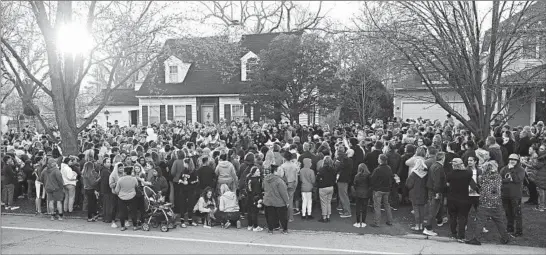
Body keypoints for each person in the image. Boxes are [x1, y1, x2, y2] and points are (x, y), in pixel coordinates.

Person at [466, 161, 510, 245]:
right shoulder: (498, 177)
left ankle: (476, 239)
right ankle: (505, 237)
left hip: (485, 203)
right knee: (499, 221)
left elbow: (479, 185)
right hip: (496, 203)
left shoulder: (482, 177)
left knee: (480, 221)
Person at [446, 158, 472, 242]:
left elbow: (447, 184)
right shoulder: (468, 173)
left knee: (452, 217)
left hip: (452, 198)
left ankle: (453, 234)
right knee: (462, 217)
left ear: (453, 165)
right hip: (464, 198)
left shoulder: (450, 174)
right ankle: (461, 236)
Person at [500, 154, 525, 237]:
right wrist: (508, 180)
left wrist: (512, 170)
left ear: (517, 161)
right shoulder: (504, 169)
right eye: (511, 159)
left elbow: (517, 180)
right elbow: (499, 180)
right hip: (505, 194)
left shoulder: (521, 169)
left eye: (514, 159)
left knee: (517, 213)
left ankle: (519, 231)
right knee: (508, 213)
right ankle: (510, 228)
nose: (512, 161)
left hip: (515, 195)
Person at [423, 152, 446, 236]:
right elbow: (437, 182)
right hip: (435, 191)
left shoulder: (433, 165)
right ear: (443, 158)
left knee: (432, 209)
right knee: (433, 210)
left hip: (431, 190)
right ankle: (428, 228)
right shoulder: (439, 167)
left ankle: (428, 226)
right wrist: (437, 192)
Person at [263, 164, 290, 234]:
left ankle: (270, 230)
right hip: (279, 201)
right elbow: (283, 192)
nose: (282, 172)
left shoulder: (265, 179)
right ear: (275, 171)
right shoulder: (279, 181)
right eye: (280, 170)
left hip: (268, 200)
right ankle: (285, 229)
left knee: (270, 216)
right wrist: (287, 202)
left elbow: (264, 188)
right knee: (283, 216)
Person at [370, 154, 394, 227]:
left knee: (377, 206)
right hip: (387, 190)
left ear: (380, 160)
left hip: (378, 190)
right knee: (387, 205)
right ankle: (390, 221)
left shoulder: (377, 169)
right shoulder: (389, 168)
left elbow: (372, 180)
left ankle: (377, 223)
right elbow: (391, 178)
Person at [405, 154, 427, 231]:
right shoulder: (426, 174)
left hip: (414, 194)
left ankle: (417, 226)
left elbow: (408, 184)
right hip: (424, 193)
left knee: (416, 210)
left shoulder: (413, 174)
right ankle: (421, 225)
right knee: (422, 210)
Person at [114, 166, 139, 231]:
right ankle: (135, 226)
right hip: (132, 196)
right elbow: (136, 185)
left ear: (125, 172)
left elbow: (117, 190)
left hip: (122, 197)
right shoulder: (134, 179)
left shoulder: (120, 179)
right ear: (131, 172)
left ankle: (122, 226)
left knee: (122, 212)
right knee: (133, 212)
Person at [279, 151, 299, 222]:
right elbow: (296, 176)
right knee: (290, 200)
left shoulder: (282, 166)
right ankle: (291, 217)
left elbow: (281, 176)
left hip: (285, 184)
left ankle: (284, 216)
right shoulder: (294, 165)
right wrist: (296, 184)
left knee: (283, 200)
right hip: (292, 182)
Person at [335, 146, 353, 218]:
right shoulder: (350, 161)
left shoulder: (344, 161)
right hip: (346, 179)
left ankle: (347, 212)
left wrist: (337, 163)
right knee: (344, 195)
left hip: (342, 179)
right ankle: (345, 210)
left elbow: (338, 168)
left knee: (343, 196)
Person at [317, 156, 336, 223]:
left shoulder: (321, 169)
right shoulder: (333, 169)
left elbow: (318, 179)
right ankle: (328, 216)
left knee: (323, 203)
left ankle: (324, 217)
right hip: (331, 187)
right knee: (328, 202)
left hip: (323, 188)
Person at [245, 166, 263, 231]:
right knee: (255, 212)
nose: (259, 172)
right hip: (255, 198)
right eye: (257, 171)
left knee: (249, 212)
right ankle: (255, 226)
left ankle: (250, 225)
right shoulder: (256, 181)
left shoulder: (248, 178)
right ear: (254, 173)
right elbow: (257, 191)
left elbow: (248, 189)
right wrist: (259, 198)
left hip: (249, 197)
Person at [353, 163, 371, 228]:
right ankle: (363, 222)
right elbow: (370, 185)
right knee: (364, 208)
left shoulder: (357, 176)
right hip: (366, 193)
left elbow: (355, 184)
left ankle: (358, 222)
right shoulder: (368, 175)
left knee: (357, 208)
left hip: (358, 193)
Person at [100, 158, 115, 223]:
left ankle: (106, 218)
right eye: (108, 162)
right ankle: (107, 218)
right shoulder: (105, 171)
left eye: (110, 162)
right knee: (108, 205)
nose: (109, 163)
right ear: (104, 163)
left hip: (105, 190)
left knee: (106, 205)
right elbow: (106, 182)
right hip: (107, 190)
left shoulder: (105, 170)